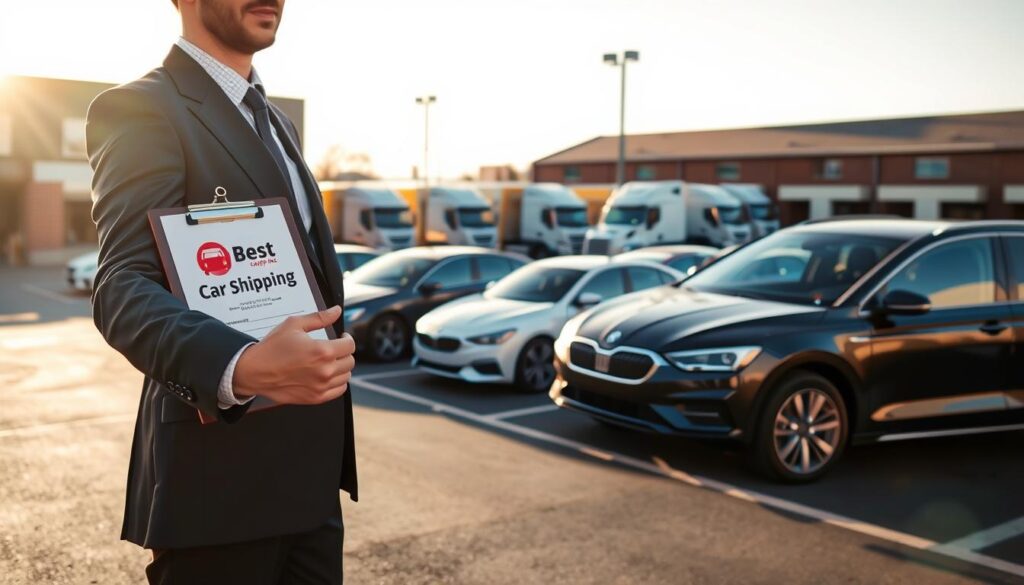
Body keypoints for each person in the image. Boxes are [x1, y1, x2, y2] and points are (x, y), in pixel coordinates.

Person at [85, 0, 357, 583]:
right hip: (218, 494)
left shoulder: (276, 121)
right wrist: (243, 364)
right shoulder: (139, 108)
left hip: (311, 485)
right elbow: (121, 286)